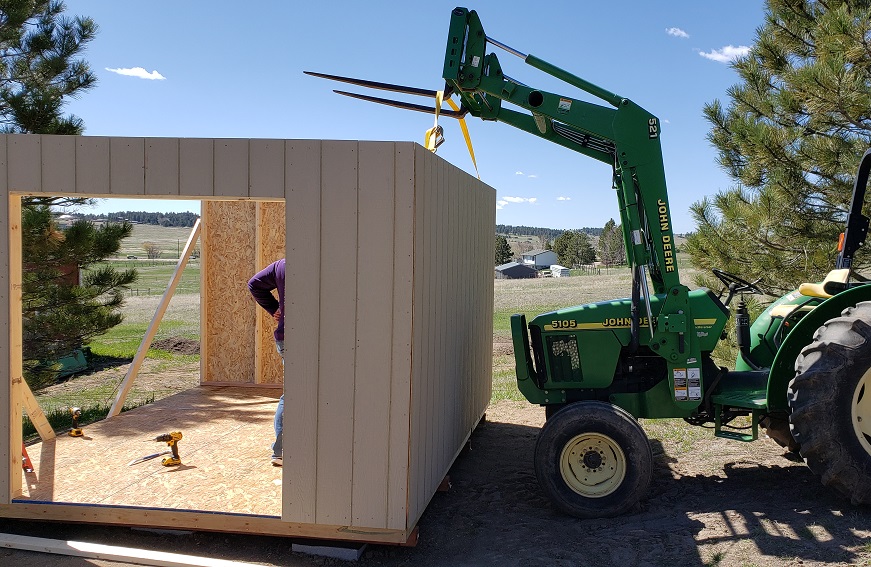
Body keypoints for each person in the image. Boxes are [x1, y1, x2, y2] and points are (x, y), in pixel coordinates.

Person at [247, 258, 286, 467]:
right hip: (306, 338)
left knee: (292, 393)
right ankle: (281, 450)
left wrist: (274, 309)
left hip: (286, 336)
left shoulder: (282, 265)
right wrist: (273, 308)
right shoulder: (320, 262)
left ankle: (281, 451)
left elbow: (254, 284)